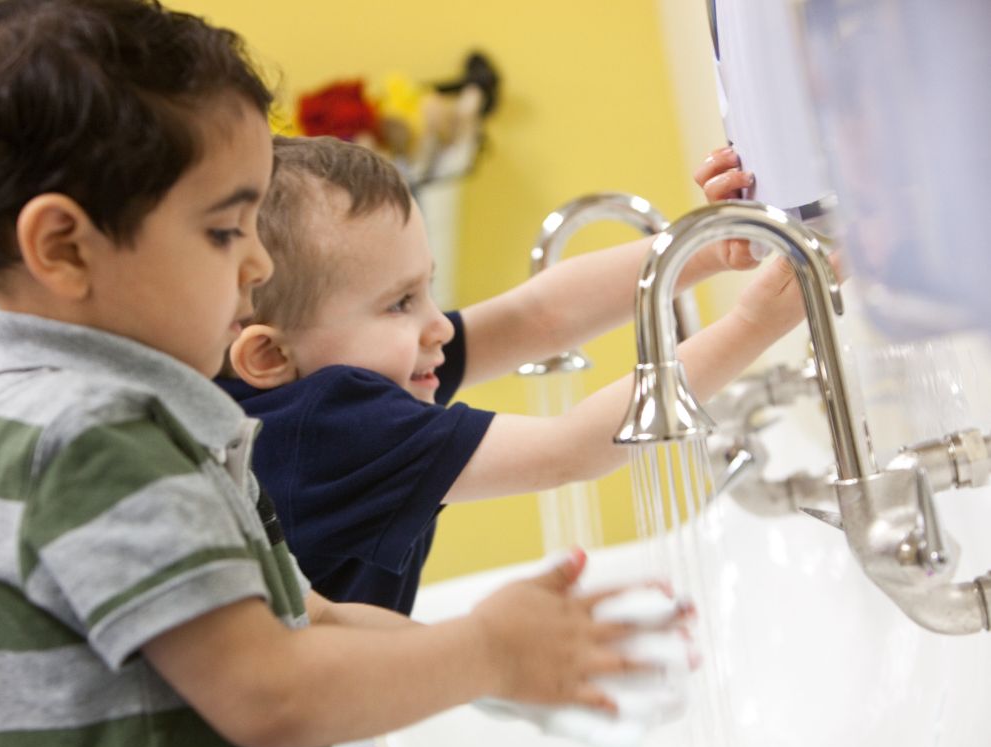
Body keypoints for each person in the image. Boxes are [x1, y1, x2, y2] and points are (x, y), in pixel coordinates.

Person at [0, 1, 695, 747]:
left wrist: (498, 669)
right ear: (64, 247)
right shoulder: (89, 435)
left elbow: (302, 616)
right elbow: (266, 690)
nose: (259, 263)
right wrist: (487, 653)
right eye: (224, 229)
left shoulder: (127, 413)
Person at [219, 135, 797, 614]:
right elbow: (570, 450)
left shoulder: (298, 386)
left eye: (427, 291)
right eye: (399, 303)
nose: (436, 326)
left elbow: (537, 316)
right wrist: (754, 324)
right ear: (267, 356)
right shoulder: (323, 423)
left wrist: (706, 248)